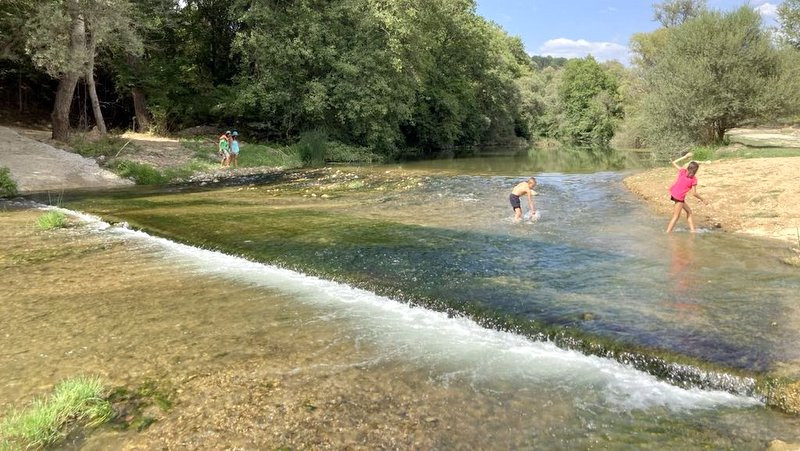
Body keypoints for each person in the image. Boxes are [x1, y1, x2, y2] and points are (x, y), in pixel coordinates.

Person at [666, 151, 706, 233]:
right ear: (696, 170)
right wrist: (703, 199)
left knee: (689, 211)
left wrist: (685, 157)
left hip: (674, 193)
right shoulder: (693, 179)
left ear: (688, 167)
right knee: (676, 216)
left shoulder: (683, 171)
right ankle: (667, 233)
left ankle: (693, 231)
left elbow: (674, 162)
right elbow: (694, 193)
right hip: (679, 197)